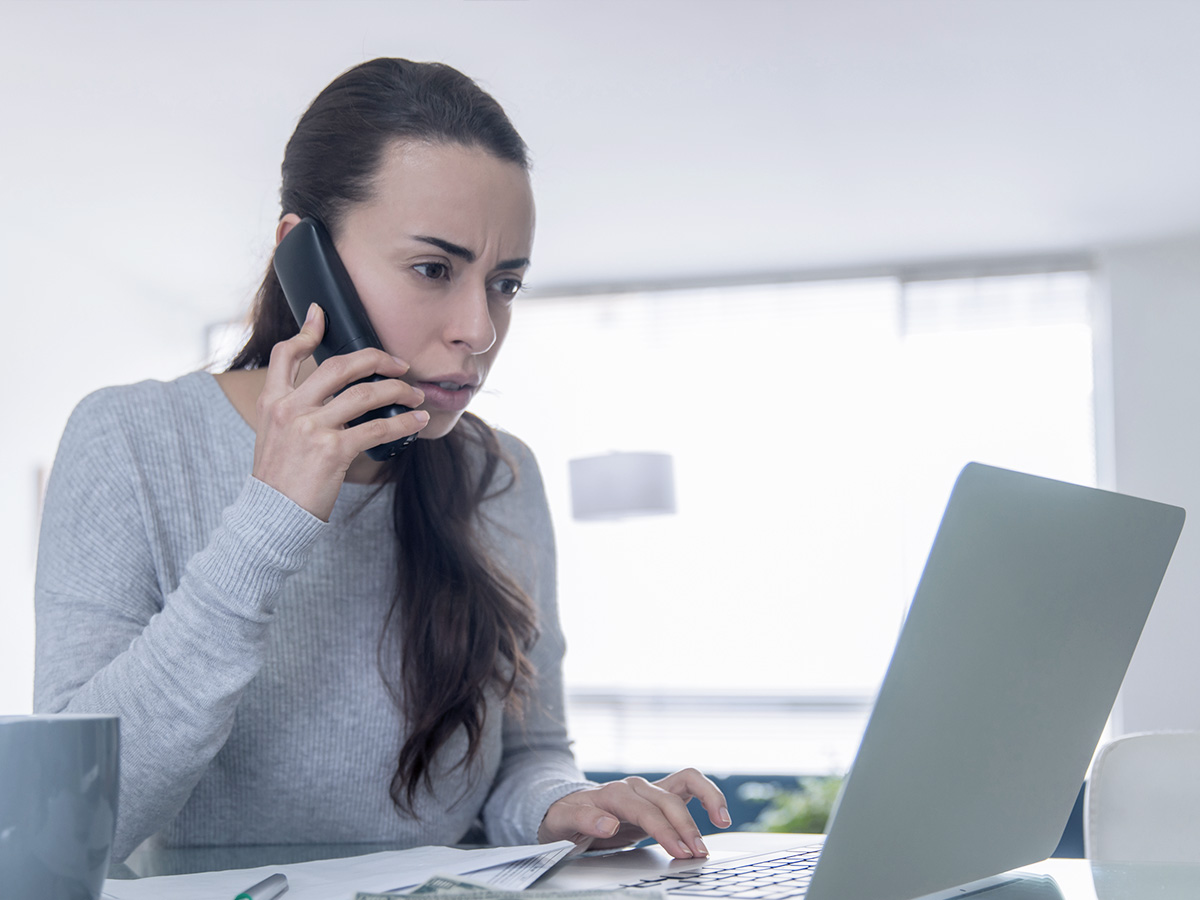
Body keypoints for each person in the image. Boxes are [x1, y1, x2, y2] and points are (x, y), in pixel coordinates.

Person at [33, 58, 729, 863]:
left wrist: (567, 807)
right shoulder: (128, 440)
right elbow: (74, 825)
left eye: (505, 284)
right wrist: (271, 516)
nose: (480, 330)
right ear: (304, 258)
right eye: (433, 269)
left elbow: (530, 754)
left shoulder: (500, 474)